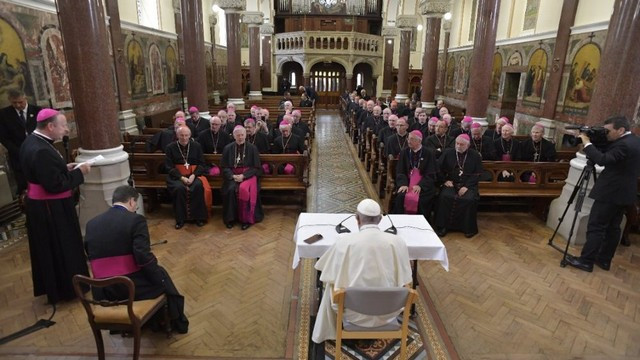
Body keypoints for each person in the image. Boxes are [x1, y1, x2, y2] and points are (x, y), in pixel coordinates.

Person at [84, 185, 189, 333]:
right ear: (132, 202)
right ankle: (169, 323)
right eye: (136, 204)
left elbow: (90, 253)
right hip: (128, 286)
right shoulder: (136, 220)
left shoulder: (91, 224)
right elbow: (142, 257)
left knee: (159, 276)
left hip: (103, 289)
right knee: (163, 280)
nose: (135, 208)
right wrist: (157, 277)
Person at [312, 199, 412, 343]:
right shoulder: (398, 242)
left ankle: (329, 332)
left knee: (330, 284)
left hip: (352, 313)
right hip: (388, 312)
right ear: (380, 219)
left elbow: (325, 270)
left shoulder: (344, 242)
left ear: (357, 219)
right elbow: (406, 279)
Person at [19, 108, 91, 304]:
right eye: (63, 125)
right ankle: (67, 290)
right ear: (50, 126)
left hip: (42, 207)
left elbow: (44, 174)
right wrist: (80, 173)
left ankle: (58, 287)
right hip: (51, 209)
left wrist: (63, 168)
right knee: (62, 247)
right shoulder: (41, 149)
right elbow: (55, 185)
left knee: (51, 249)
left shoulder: (33, 141)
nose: (66, 130)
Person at [566, 116, 640, 272]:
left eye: (608, 131)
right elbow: (614, 155)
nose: (606, 134)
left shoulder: (624, 145)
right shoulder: (634, 141)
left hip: (610, 193)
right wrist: (597, 140)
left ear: (620, 130)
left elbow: (602, 159)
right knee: (613, 227)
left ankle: (586, 261)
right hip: (624, 194)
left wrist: (587, 143)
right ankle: (604, 260)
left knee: (596, 227)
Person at [435, 134, 483, 238]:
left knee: (469, 199)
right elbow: (438, 168)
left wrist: (467, 186)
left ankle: (467, 228)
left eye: (461, 144)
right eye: (457, 143)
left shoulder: (475, 155)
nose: (458, 146)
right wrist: (445, 180)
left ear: (468, 145)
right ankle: (443, 227)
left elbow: (478, 173)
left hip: (468, 184)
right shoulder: (448, 153)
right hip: (451, 183)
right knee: (444, 197)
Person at [165, 126, 211, 229]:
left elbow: (202, 164)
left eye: (186, 135)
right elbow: (168, 167)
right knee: (179, 188)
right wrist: (181, 178)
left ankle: (198, 217)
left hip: (194, 175)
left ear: (190, 136)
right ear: (177, 136)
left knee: (198, 186)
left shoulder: (196, 146)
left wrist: (193, 175)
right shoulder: (170, 147)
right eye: (181, 135)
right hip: (176, 176)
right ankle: (180, 219)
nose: (184, 138)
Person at [221, 126, 264, 230]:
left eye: (242, 135)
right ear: (234, 136)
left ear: (245, 135)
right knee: (231, 189)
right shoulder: (228, 148)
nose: (240, 137)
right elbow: (224, 167)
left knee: (244, 189)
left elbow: (256, 167)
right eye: (238, 135)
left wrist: (244, 176)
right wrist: (232, 176)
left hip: (248, 176)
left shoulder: (252, 148)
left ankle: (246, 219)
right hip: (233, 176)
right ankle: (230, 219)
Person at [0, 89, 42, 195]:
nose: (18, 105)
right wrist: (18, 151)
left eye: (20, 102)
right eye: (14, 103)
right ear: (10, 101)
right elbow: (3, 137)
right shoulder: (4, 114)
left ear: (25, 98)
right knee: (24, 185)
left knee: (41, 180)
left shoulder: (38, 111)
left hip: (38, 154)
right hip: (17, 156)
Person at [392, 130, 437, 219]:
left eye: (412, 139)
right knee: (401, 196)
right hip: (407, 182)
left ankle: (420, 223)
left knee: (422, 200)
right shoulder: (404, 152)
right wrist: (403, 184)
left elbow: (431, 174)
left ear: (419, 141)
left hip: (424, 184)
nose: (409, 141)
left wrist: (420, 186)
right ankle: (399, 220)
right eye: (408, 139)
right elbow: (400, 171)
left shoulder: (429, 153)